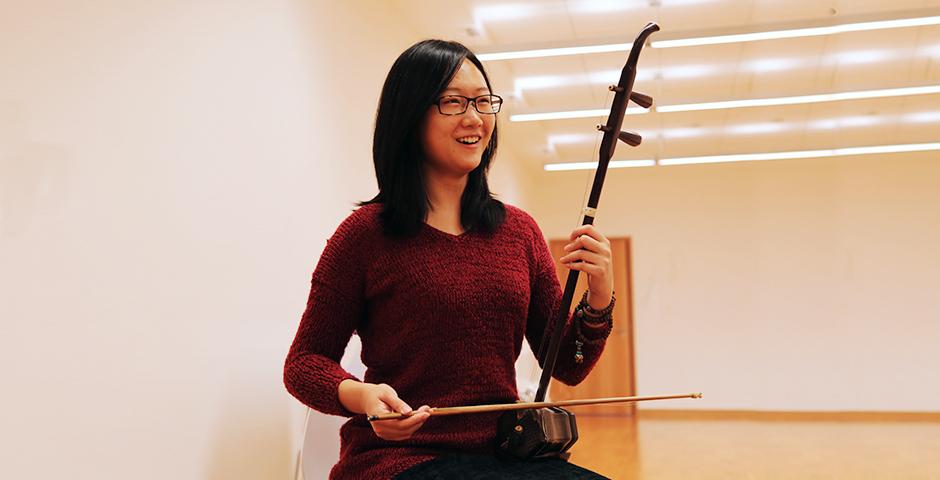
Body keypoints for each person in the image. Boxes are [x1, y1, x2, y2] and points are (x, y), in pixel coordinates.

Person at [284, 39, 616, 479]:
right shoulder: (364, 236)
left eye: (483, 101)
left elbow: (568, 365)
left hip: (507, 453)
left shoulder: (519, 232)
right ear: (411, 114)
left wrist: (599, 296)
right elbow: (304, 363)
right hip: (400, 460)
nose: (475, 118)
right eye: (453, 102)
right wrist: (361, 397)